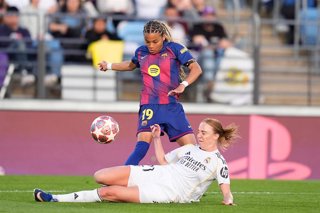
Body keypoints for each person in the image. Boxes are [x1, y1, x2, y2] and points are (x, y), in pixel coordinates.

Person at [34, 118, 238, 204]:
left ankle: (55, 198)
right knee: (101, 176)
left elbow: (225, 187)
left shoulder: (218, 162)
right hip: (157, 174)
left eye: (203, 132)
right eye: (199, 131)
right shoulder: (189, 149)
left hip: (169, 192)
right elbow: (162, 161)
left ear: (215, 136)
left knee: (108, 191)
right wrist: (157, 139)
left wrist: (228, 199)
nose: (199, 135)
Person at [98, 20, 203, 165]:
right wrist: (109, 65)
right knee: (141, 148)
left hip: (172, 106)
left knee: (192, 151)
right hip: (150, 106)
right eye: (148, 42)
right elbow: (130, 65)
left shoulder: (175, 49)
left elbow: (196, 68)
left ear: (164, 37)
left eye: (155, 41)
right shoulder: (141, 51)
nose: (151, 46)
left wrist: (183, 85)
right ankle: (121, 177)